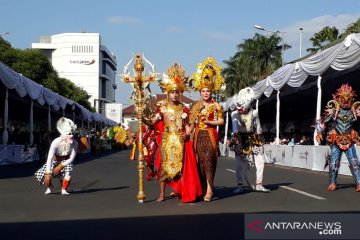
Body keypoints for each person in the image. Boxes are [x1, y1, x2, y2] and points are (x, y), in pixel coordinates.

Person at [148, 63, 202, 202]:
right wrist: (143, 118)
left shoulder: (184, 109)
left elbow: (189, 124)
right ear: (168, 92)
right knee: (163, 166)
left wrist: (188, 133)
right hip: (167, 139)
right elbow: (153, 123)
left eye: (177, 92)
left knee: (183, 166)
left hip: (180, 139)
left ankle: (183, 190)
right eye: (172, 92)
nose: (175, 94)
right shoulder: (162, 108)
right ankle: (161, 194)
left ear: (180, 93)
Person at [189, 57, 225, 202]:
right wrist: (187, 132)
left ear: (211, 92)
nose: (205, 93)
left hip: (210, 135)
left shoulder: (216, 105)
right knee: (200, 163)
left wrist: (210, 121)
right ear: (200, 92)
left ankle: (210, 189)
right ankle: (203, 188)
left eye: (208, 91)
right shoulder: (195, 106)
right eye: (203, 91)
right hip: (198, 136)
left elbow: (221, 121)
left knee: (210, 161)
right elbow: (191, 123)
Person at [315, 84, 360, 192]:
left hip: (349, 139)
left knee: (354, 162)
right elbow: (321, 121)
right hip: (336, 140)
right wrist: (319, 132)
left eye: (348, 99)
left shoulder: (354, 111)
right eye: (343, 99)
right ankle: (332, 182)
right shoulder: (334, 111)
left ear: (352, 99)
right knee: (334, 163)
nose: (345, 101)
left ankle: (358, 183)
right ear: (339, 98)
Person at [231, 87, 270, 192]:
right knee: (240, 164)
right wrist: (235, 137)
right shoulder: (234, 114)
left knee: (260, 161)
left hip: (253, 137)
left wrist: (260, 138)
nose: (240, 109)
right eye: (238, 107)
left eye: (241, 107)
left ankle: (259, 184)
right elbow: (235, 128)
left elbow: (258, 127)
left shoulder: (254, 112)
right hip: (240, 137)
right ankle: (240, 186)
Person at [35, 117, 78, 195]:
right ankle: (50, 187)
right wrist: (48, 173)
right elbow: (49, 158)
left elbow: (72, 158)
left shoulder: (75, 143)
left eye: (72, 134)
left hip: (66, 160)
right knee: (46, 177)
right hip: (55, 159)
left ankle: (64, 189)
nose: (71, 136)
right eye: (69, 134)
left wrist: (61, 165)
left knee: (68, 174)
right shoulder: (56, 142)